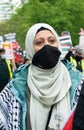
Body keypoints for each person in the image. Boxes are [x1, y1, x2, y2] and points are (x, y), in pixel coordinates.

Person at [0, 23, 84, 130]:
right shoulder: (15, 88)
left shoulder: (78, 84)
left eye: (52, 41)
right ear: (30, 48)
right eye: (39, 42)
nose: (47, 46)